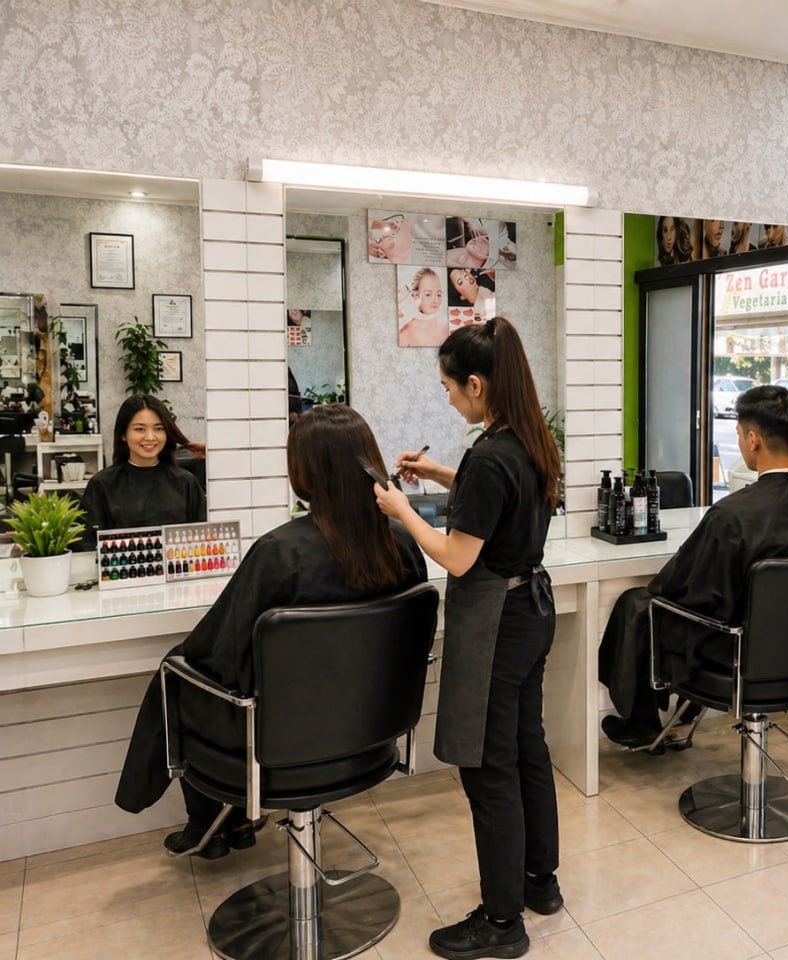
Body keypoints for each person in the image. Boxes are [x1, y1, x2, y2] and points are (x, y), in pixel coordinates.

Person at [113, 405, 427, 859]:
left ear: (301, 470)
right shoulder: (400, 541)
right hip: (372, 735)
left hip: (279, 748)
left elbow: (219, 653)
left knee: (177, 669)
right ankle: (231, 818)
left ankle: (211, 820)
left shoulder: (281, 553)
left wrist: (186, 655)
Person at [374, 317, 561, 960]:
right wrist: (442, 473)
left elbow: (456, 558)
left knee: (490, 769)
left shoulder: (492, 454)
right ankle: (540, 880)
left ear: (477, 384)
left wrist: (402, 509)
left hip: (498, 624)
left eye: (450, 387)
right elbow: (495, 496)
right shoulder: (527, 439)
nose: (448, 398)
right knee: (527, 747)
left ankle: (503, 922)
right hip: (533, 609)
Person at [598, 385, 788, 747]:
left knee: (642, 604)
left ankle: (644, 722)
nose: (739, 442)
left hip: (740, 659)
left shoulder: (732, 515)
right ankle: (677, 718)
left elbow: (677, 588)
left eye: (738, 434)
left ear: (753, 439)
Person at [76, 395, 206, 547]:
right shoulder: (101, 485)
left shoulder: (186, 482)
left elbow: (201, 541)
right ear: (124, 434)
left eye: (158, 428)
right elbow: (87, 546)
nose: (150, 437)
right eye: (140, 429)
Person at [399, 267, 449, 347]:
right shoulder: (406, 332)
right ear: (416, 295)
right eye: (428, 294)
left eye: (439, 294)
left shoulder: (446, 326)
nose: (435, 300)